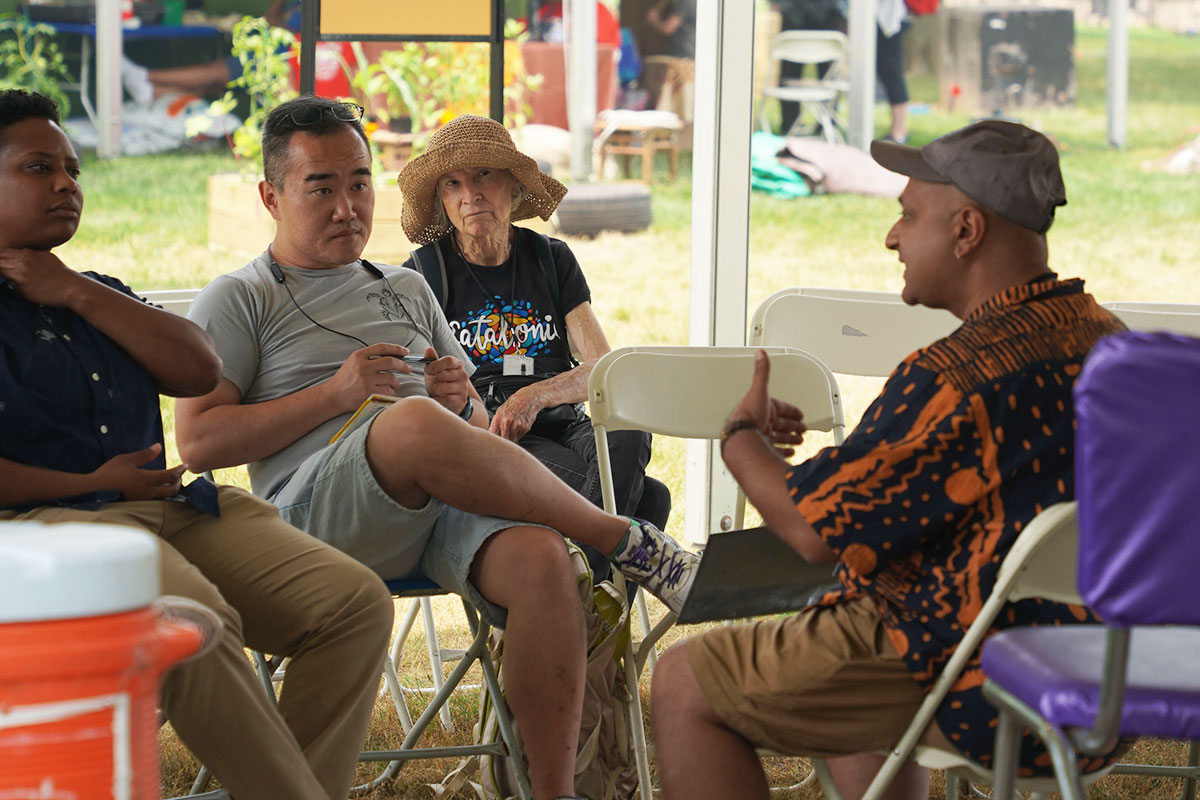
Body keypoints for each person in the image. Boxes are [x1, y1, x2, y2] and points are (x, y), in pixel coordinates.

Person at [173, 95, 697, 800]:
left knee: (544, 562)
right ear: (271, 196)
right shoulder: (240, 297)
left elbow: (480, 427)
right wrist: (335, 396)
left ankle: (552, 792)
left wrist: (464, 401)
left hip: (432, 503)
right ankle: (622, 536)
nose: (346, 206)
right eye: (320, 187)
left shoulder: (407, 286)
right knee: (408, 423)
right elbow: (199, 440)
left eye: (358, 182)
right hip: (314, 522)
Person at [650, 120, 1127, 800]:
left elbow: (813, 532)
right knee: (859, 617)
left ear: (966, 231)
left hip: (977, 681)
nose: (892, 236)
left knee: (682, 679)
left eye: (908, 215)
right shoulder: (1119, 350)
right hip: (1102, 681)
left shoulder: (955, 379)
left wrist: (740, 437)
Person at [0, 89, 394, 800]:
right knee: (197, 624)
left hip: (174, 511)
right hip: (46, 531)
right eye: (38, 168)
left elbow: (196, 367)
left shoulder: (93, 292)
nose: (65, 184)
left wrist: (75, 293)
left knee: (354, 605)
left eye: (74, 169)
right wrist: (92, 482)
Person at [396, 114, 671, 580]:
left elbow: (603, 369)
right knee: (649, 499)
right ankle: (591, 596)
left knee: (628, 431)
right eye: (453, 184)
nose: (471, 195)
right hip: (496, 436)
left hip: (562, 418)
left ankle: (583, 589)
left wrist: (536, 394)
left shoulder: (550, 258)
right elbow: (411, 384)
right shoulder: (425, 272)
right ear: (442, 201)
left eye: (484, 174)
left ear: (514, 185)